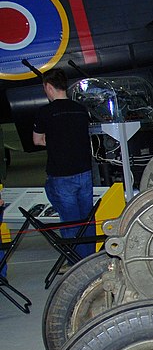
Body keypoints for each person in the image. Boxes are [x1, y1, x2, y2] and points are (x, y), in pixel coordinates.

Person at [32, 68, 95, 259]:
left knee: (69, 222)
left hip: (61, 175)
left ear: (49, 87)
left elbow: (37, 140)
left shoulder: (45, 112)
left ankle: (75, 261)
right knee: (87, 220)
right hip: (84, 172)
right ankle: (90, 258)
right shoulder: (81, 109)